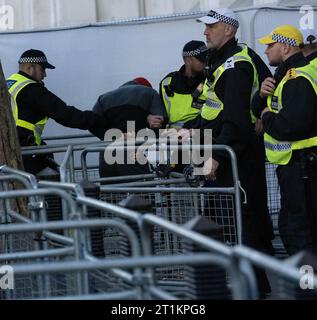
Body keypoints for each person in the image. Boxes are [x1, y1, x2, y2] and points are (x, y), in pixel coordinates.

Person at [196, 8, 274, 296]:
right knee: (225, 221)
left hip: (236, 158)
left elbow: (237, 120)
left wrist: (215, 157)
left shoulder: (236, 66)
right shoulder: (223, 62)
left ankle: (255, 287)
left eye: (211, 27)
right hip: (226, 153)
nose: (205, 33)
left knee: (246, 223)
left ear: (228, 29)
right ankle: (235, 283)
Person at [253, 25, 317, 256]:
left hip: (302, 168)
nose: (266, 50)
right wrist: (260, 97)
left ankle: (307, 289)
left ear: (286, 47)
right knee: (294, 229)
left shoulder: (297, 78)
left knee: (301, 232)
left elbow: (292, 126)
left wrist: (266, 117)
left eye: (270, 45)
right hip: (294, 168)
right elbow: (263, 107)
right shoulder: (283, 74)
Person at [6, 49, 106, 175]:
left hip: (14, 148)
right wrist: (98, 119)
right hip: (23, 151)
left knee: (47, 159)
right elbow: (64, 114)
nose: (44, 75)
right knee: (52, 183)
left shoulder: (9, 84)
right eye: (42, 70)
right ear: (30, 68)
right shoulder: (31, 89)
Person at [92, 78, 167, 178]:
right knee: (143, 190)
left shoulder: (103, 98)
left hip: (106, 154)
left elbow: (93, 124)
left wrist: (114, 137)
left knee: (109, 192)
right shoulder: (150, 93)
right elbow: (161, 121)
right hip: (132, 153)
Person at [159, 40, 208, 129]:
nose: (206, 62)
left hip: (201, 135)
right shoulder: (167, 82)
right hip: (172, 137)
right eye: (202, 59)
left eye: (207, 58)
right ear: (188, 60)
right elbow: (159, 114)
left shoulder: (210, 80)